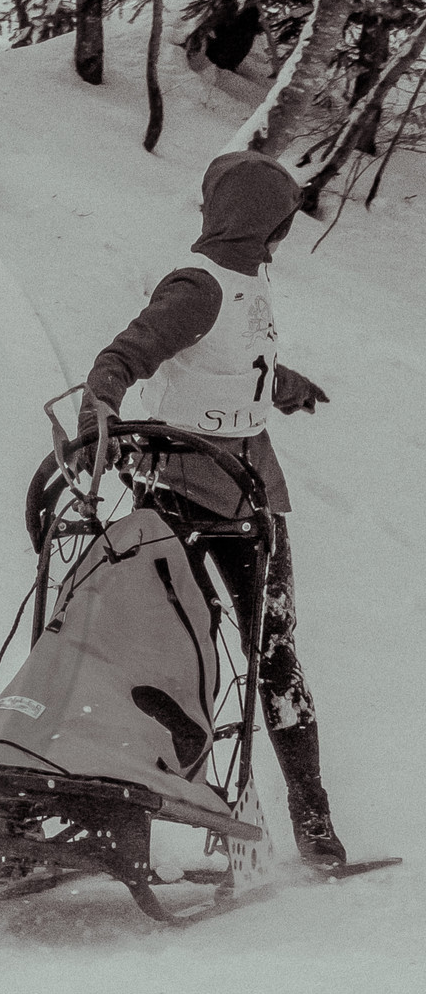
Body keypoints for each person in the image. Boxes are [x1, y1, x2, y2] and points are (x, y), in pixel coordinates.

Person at [75, 150, 345, 867]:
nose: (282, 238)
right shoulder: (198, 285)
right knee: (172, 649)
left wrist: (282, 384)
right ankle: (140, 800)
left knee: (275, 655)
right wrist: (98, 407)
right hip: (179, 493)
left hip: (252, 494)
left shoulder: (248, 285)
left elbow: (231, 358)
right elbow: (128, 355)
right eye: (280, 223)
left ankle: (311, 821)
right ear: (264, 225)